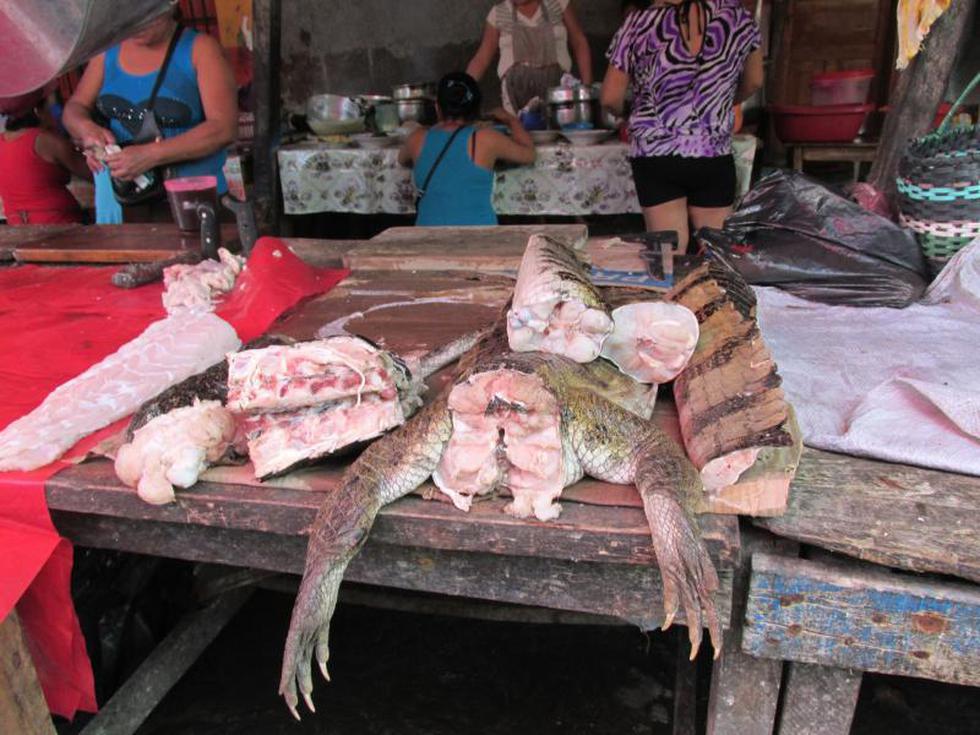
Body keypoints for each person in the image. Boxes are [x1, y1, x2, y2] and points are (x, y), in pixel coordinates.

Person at [601, 0, 763, 250]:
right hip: (713, 151)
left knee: (668, 254)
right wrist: (722, 102)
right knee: (716, 253)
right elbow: (754, 81)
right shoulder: (738, 19)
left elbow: (610, 97)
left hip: (656, 154)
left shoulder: (637, 23)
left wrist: (631, 112)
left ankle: (672, 288)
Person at [63, 7, 237, 222]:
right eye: (129, 18)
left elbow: (223, 128)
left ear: (168, 6)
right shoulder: (107, 52)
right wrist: (86, 130)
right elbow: (74, 108)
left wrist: (151, 155)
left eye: (146, 16)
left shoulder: (200, 49)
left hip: (191, 201)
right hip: (124, 200)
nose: (136, 26)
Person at [398, 72, 536, 227]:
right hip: (479, 238)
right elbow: (529, 154)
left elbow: (402, 160)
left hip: (427, 238)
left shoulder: (417, 138)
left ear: (437, 107)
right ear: (476, 109)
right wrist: (511, 120)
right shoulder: (487, 139)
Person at [466, 0, 593, 114]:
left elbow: (579, 42)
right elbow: (482, 58)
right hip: (515, 95)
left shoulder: (558, 3)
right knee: (522, 137)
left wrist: (587, 90)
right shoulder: (498, 13)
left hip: (557, 93)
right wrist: (463, 88)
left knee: (557, 134)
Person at [0, 90, 89, 225]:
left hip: (18, 226)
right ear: (37, 110)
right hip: (60, 227)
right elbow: (92, 172)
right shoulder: (47, 141)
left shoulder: (3, 141)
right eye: (51, 107)